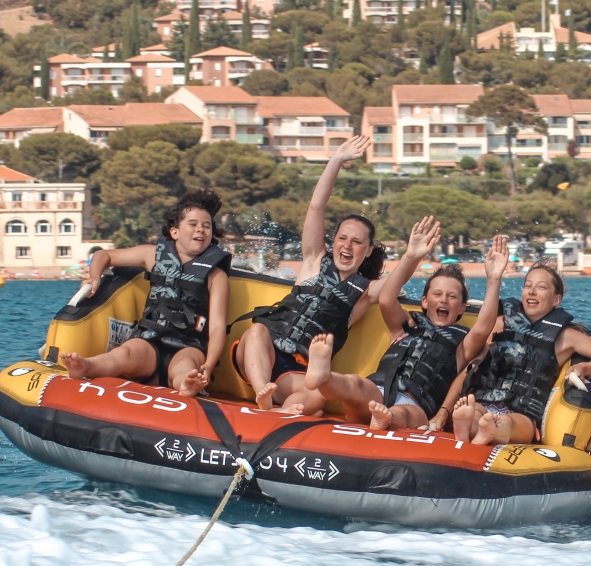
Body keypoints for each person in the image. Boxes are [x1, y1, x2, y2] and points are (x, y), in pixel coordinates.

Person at [300, 222, 511, 430]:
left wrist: (494, 279)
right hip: (379, 389)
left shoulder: (462, 345)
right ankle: (323, 376)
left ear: (463, 307)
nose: (444, 300)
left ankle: (383, 418)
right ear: (425, 301)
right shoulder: (407, 324)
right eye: (437, 294)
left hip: (415, 402)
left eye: (452, 297)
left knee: (401, 414)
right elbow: (386, 299)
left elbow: (483, 327)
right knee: (354, 385)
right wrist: (410, 256)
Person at [232, 134, 380, 412]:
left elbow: (393, 288)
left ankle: (286, 408)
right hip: (260, 356)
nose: (347, 245)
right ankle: (263, 397)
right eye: (342, 238)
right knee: (257, 331)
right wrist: (336, 160)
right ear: (333, 241)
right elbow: (316, 207)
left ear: (368, 250)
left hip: (297, 373)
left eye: (357, 242)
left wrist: (413, 255)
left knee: (318, 394)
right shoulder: (313, 259)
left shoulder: (367, 291)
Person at [62, 189, 230, 397]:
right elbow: (102, 255)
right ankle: (86, 366)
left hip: (189, 345)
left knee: (186, 366)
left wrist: (209, 364)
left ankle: (187, 384)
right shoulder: (151, 255)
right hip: (150, 341)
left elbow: (216, 327)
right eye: (193, 224)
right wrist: (94, 276)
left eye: (207, 226)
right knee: (125, 353)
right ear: (174, 232)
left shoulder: (216, 276)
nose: (201, 230)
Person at [451, 261, 591, 445]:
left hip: (522, 414)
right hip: (485, 400)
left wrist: (586, 367)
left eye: (541, 287)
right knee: (476, 412)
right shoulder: (500, 323)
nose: (532, 291)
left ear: (556, 300)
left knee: (507, 422)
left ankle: (483, 431)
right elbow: (474, 365)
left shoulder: (566, 336)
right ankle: (469, 427)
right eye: (527, 285)